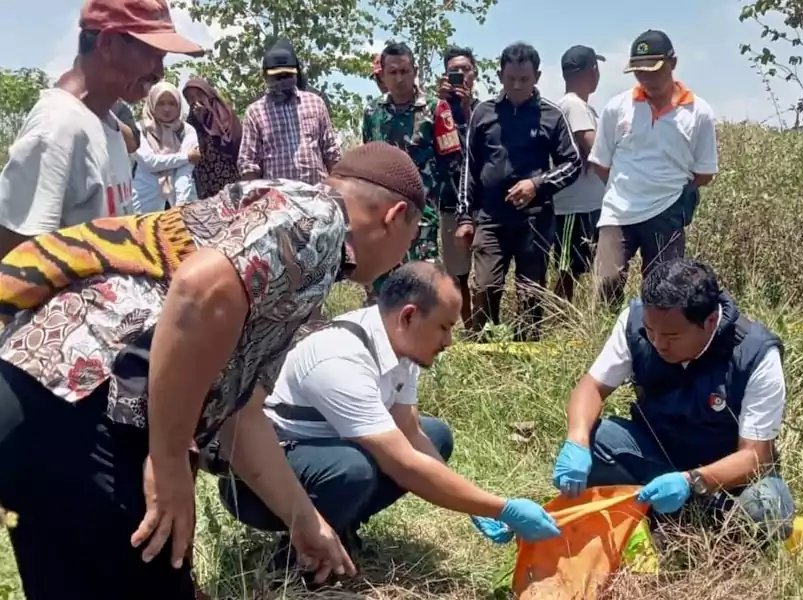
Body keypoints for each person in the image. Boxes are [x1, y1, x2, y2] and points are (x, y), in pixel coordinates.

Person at [0, 142, 426, 599]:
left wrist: (305, 519)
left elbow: (240, 415)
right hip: (80, 401)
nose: (402, 259)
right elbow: (201, 286)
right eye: (412, 238)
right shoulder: (319, 221)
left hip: (31, 395)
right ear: (394, 215)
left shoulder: (292, 240)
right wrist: (167, 461)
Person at [219, 261, 560, 570]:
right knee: (355, 469)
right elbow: (403, 464)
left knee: (435, 436)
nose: (449, 341)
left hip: (326, 457)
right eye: (443, 327)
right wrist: (500, 507)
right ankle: (296, 561)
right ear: (409, 316)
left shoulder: (401, 347)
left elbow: (409, 431)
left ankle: (338, 527)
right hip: (259, 484)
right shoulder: (341, 356)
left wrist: (470, 501)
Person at [551, 258, 795, 539]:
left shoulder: (755, 354)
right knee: (595, 441)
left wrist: (692, 482)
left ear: (710, 321)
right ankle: (649, 520)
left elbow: (756, 456)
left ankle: (713, 534)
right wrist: (576, 441)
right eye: (650, 331)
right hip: (657, 458)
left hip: (725, 480)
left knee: (768, 506)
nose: (657, 343)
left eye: (671, 335)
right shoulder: (636, 324)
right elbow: (591, 387)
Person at [0, 0, 203, 259]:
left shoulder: (107, 124)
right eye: (153, 55)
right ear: (107, 44)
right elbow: (14, 265)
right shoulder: (57, 128)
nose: (159, 72)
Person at [456, 42, 581, 342]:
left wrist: (536, 185)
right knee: (484, 288)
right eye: (510, 78)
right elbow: (469, 168)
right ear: (500, 75)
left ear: (536, 76)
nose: (516, 85)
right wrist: (464, 217)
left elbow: (573, 163)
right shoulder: (483, 113)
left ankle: (526, 359)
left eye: (524, 79)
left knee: (530, 293)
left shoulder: (551, 115)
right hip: (490, 219)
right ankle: (486, 357)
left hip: (534, 222)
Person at [589, 30, 718, 307]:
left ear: (673, 62)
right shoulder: (617, 108)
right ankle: (606, 339)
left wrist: (667, 190)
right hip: (618, 212)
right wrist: (625, 188)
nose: (646, 79)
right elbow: (601, 164)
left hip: (666, 211)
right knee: (606, 284)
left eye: (653, 71)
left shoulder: (699, 113)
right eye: (639, 73)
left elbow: (705, 172)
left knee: (664, 292)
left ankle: (654, 344)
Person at [361, 42, 463, 298]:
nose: (399, 78)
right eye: (392, 72)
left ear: (415, 71)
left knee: (421, 286)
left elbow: (452, 162)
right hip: (382, 216)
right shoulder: (372, 112)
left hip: (421, 215)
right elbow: (368, 159)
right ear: (382, 75)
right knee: (382, 287)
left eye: (405, 71)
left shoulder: (436, 109)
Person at [239, 38, 341, 183]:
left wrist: (338, 190)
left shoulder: (315, 104)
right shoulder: (255, 112)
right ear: (265, 77)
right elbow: (248, 164)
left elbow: (331, 153)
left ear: (295, 74)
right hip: (278, 199)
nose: (282, 81)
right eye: (277, 77)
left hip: (316, 195)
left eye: (287, 76)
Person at [552, 45, 606, 303]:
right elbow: (595, 148)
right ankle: (559, 323)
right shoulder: (574, 106)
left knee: (574, 269)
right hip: (574, 207)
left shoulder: (574, 105)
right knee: (567, 270)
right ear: (591, 70)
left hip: (583, 204)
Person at [436, 45, 478, 329]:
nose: (460, 75)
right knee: (457, 274)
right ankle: (469, 332)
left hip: (483, 202)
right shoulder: (434, 109)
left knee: (487, 275)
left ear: (474, 73)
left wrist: (465, 110)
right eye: (454, 70)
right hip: (450, 200)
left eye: (465, 69)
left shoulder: (485, 110)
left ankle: (485, 328)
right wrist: (442, 107)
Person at [132, 81, 199, 212]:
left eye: (172, 103)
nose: (167, 109)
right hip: (145, 201)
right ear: (152, 104)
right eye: (161, 103)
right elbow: (150, 163)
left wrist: (180, 206)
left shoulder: (186, 130)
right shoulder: (140, 129)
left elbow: (184, 172)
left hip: (181, 200)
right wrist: (186, 156)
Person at [182, 78, 242, 198]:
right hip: (206, 186)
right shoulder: (190, 123)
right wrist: (199, 122)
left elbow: (233, 144)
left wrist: (207, 121)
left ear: (208, 94)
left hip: (232, 181)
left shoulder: (226, 115)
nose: (195, 101)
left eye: (199, 95)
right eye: (190, 98)